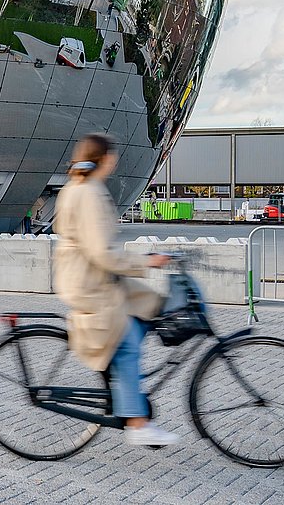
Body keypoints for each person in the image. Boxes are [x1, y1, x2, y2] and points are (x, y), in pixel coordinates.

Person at [53, 132, 176, 447]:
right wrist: (146, 262)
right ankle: (137, 422)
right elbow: (101, 254)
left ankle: (126, 390)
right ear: (104, 158)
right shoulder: (90, 192)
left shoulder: (76, 186)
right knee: (126, 342)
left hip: (87, 276)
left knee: (148, 305)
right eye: (113, 157)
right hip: (90, 282)